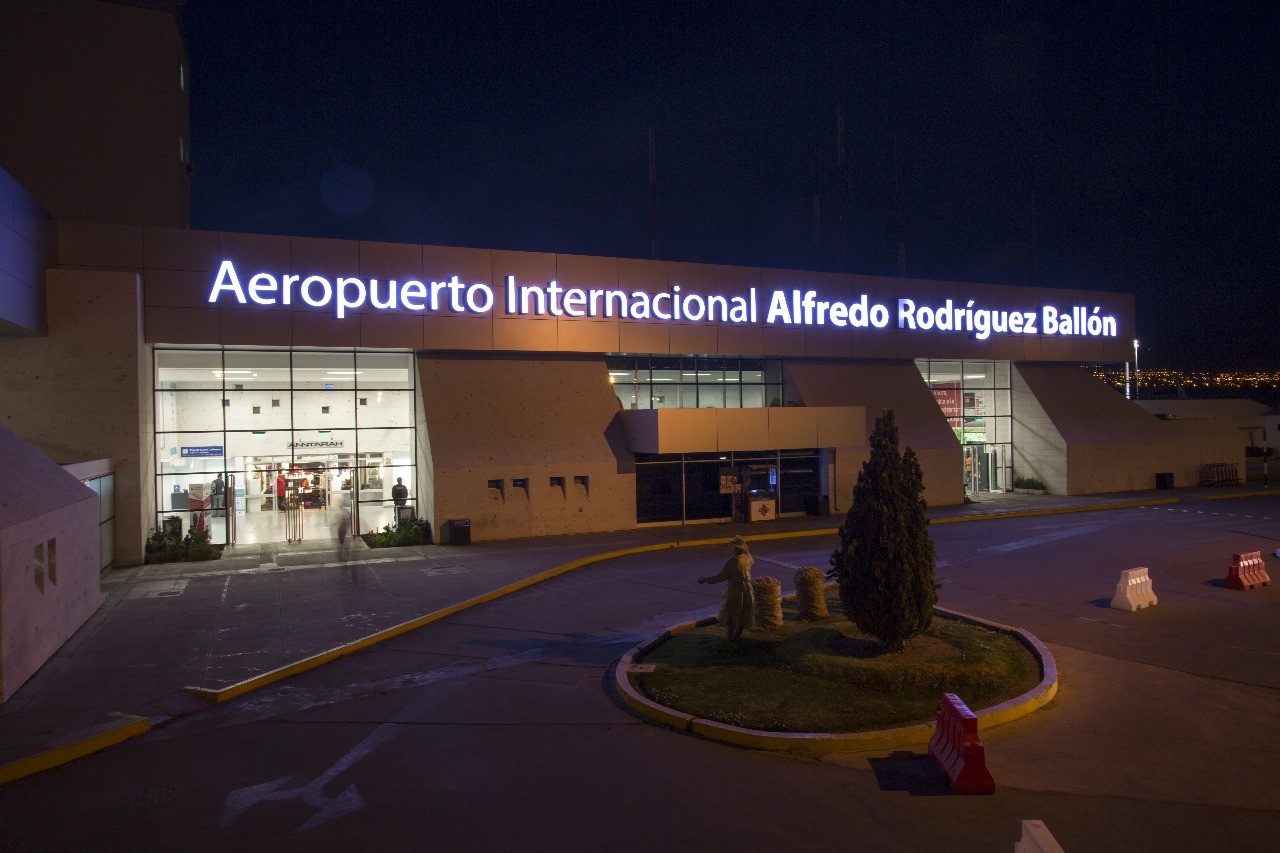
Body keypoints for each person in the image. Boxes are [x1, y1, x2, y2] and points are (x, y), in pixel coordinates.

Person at [698, 535, 756, 642]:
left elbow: (721, 577)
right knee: (744, 611)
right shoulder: (748, 558)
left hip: (735, 589)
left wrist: (706, 580)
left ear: (735, 548)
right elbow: (749, 555)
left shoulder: (732, 561)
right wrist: (746, 547)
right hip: (747, 588)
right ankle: (737, 635)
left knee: (732, 612)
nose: (731, 548)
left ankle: (729, 636)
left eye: (733, 546)